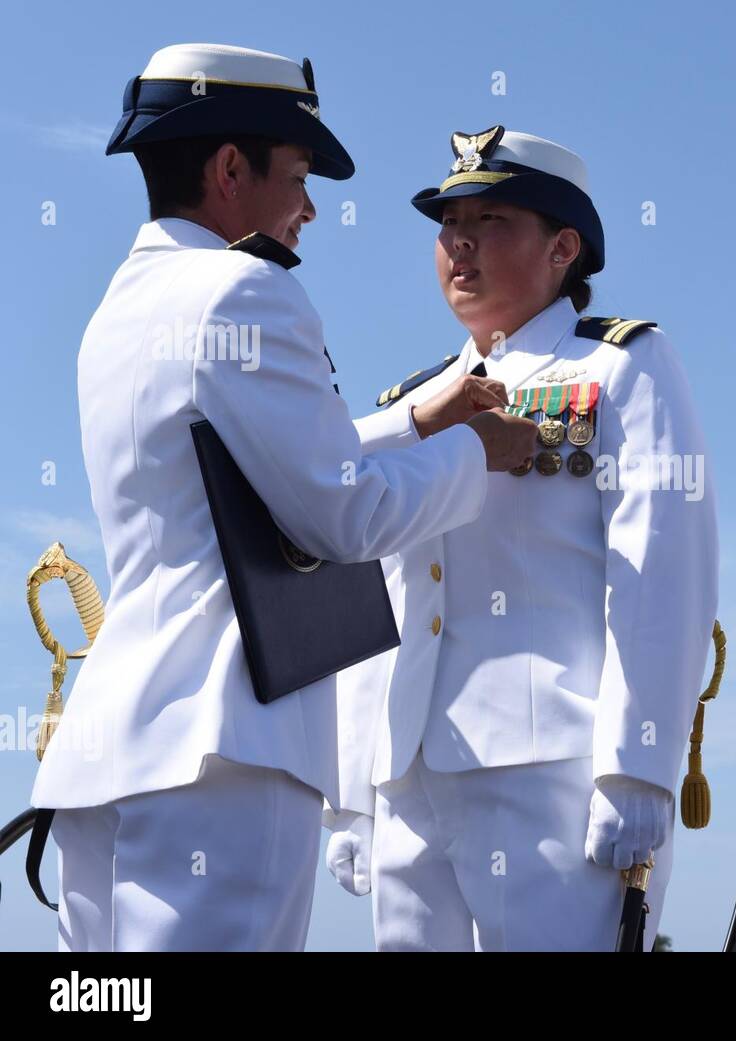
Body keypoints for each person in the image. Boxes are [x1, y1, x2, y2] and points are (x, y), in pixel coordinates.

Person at [36, 44, 535, 952]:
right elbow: (341, 516)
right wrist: (477, 451)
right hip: (224, 755)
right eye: (299, 176)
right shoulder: (245, 288)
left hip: (111, 751)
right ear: (231, 169)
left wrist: (418, 421)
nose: (309, 210)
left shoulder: (119, 308)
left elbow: (243, 469)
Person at [325, 126, 720, 951]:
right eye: (448, 223)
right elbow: (382, 593)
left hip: (554, 768)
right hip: (409, 769)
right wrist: (351, 790)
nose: (459, 241)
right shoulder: (415, 399)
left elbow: (659, 572)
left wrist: (638, 766)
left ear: (563, 247)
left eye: (493, 218)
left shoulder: (623, 368)